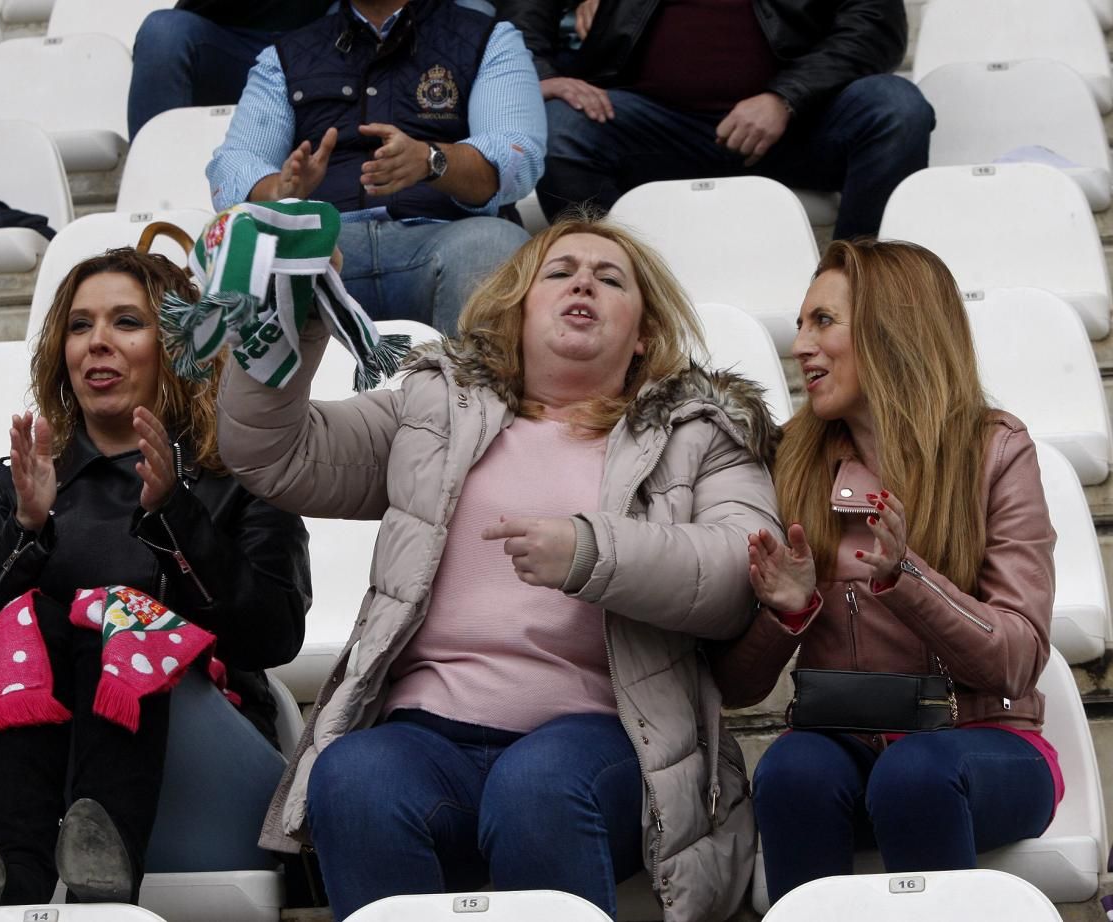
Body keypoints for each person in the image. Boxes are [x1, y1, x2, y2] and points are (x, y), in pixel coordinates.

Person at [215, 214, 782, 920]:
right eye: (559, 271)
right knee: (353, 775)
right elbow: (275, 453)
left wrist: (590, 550)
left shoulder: (699, 434)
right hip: (426, 733)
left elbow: (740, 572)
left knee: (536, 785)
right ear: (517, 309)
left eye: (610, 279)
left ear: (642, 335)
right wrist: (294, 320)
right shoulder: (434, 411)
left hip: (602, 737)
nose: (583, 283)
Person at [0, 248, 313, 908]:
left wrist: (174, 518)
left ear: (176, 346)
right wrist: (24, 530)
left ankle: (94, 851)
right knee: (33, 623)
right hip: (50, 785)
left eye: (125, 322)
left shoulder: (242, 477)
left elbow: (271, 637)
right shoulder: (26, 485)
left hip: (207, 775)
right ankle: (20, 882)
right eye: (80, 326)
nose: (97, 343)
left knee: (116, 616)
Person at [710, 239, 1062, 902]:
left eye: (823, 322)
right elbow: (736, 687)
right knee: (790, 772)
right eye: (800, 324)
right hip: (841, 743)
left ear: (889, 328)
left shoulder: (995, 449)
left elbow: (1017, 657)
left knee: (915, 774)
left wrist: (909, 579)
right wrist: (786, 614)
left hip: (984, 743)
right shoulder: (788, 463)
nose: (800, 346)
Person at [206, 0, 547, 337]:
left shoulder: (489, 39)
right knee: (248, 256)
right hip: (324, 245)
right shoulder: (284, 55)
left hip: (448, 236)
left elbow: (518, 156)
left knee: (495, 245)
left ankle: (465, 394)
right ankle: (268, 395)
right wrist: (278, 191)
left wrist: (431, 160)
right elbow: (233, 165)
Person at [500, 0, 934, 239]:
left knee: (896, 108)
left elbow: (878, 24)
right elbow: (521, 13)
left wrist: (786, 97)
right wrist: (544, 75)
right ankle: (620, 284)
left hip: (801, 123)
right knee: (561, 131)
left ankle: (854, 284)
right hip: (651, 124)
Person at [127, 0, 332, 141]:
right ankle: (156, 184)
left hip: (324, 43)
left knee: (352, 21)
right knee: (163, 33)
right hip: (226, 48)